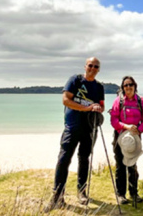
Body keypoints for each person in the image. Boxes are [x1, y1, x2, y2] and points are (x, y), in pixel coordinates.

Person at [45, 57, 105, 212]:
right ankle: (57, 196)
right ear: (85, 66)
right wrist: (86, 108)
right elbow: (66, 100)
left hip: (90, 128)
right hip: (72, 127)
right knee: (64, 159)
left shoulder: (99, 87)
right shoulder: (75, 80)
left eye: (96, 66)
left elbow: (102, 106)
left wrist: (97, 107)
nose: (92, 68)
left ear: (99, 69)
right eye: (90, 65)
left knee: (84, 158)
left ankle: (82, 191)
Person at [110, 76, 143, 205]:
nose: (128, 87)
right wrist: (126, 127)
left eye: (131, 84)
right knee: (120, 165)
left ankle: (134, 193)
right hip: (120, 137)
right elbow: (113, 120)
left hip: (135, 137)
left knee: (132, 165)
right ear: (122, 88)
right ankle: (120, 194)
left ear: (135, 86)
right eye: (125, 85)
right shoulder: (118, 101)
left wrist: (139, 129)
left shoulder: (141, 101)